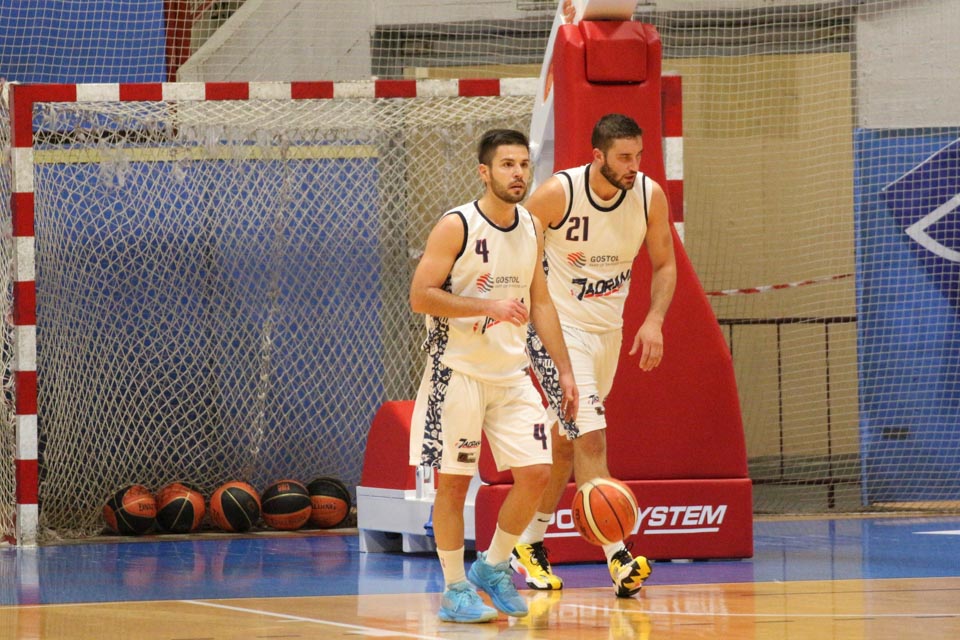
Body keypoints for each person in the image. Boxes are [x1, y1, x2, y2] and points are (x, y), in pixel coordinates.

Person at [408, 129, 579, 623]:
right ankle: (454, 589)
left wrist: (564, 370)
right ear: (484, 172)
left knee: (537, 473)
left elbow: (540, 302)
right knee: (454, 484)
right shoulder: (456, 225)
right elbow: (421, 296)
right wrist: (488, 306)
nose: (518, 173)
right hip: (457, 372)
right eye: (507, 165)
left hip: (511, 373)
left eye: (523, 164)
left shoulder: (531, 226)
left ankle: (493, 565)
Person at [510, 113, 677, 597]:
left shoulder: (648, 195)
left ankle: (527, 542)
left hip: (607, 333)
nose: (633, 166)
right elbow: (512, 245)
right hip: (557, 332)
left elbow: (665, 264)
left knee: (566, 442)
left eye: (638, 156)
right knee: (591, 437)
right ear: (598, 155)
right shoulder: (558, 194)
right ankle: (619, 557)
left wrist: (654, 319)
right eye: (624, 157)